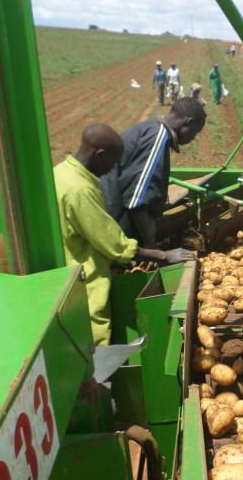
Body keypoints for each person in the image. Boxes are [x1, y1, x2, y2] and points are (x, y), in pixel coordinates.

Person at [54, 123, 193, 346]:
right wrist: (164, 256)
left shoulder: (61, 173)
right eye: (112, 162)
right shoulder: (80, 190)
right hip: (84, 278)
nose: (112, 170)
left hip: (66, 264)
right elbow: (113, 244)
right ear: (99, 154)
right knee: (93, 341)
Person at [101, 96, 206, 247]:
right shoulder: (157, 138)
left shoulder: (151, 127)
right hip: (113, 227)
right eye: (195, 132)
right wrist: (151, 245)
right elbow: (136, 201)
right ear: (188, 122)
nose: (193, 138)